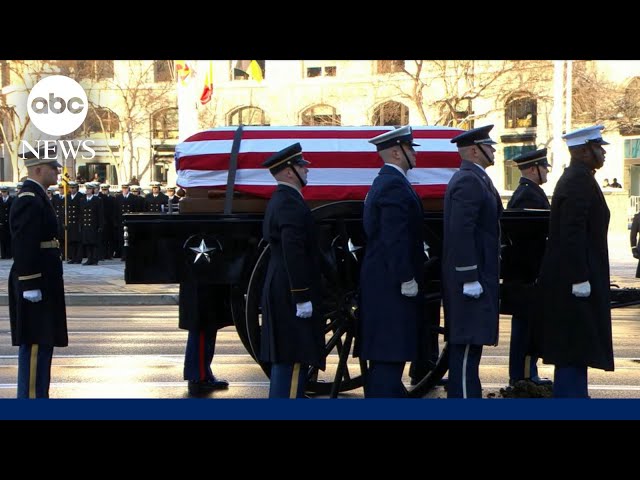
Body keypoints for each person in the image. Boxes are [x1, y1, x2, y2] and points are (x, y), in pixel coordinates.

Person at [535, 124, 614, 398]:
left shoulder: (581, 177)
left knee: (577, 350)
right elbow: (572, 233)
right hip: (574, 283)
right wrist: (580, 277)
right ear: (583, 151)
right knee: (573, 349)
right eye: (598, 147)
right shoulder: (578, 180)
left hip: (576, 279)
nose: (603, 152)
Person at [354, 126, 424, 398]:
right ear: (396, 152)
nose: (415, 155)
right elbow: (394, 238)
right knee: (389, 355)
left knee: (387, 357)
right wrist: (406, 277)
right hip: (391, 284)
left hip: (382, 281)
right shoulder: (393, 185)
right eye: (410, 149)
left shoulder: (385, 181)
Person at [442, 124, 503, 398]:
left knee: (472, 345)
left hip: (479, 275)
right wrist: (469, 276)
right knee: (466, 347)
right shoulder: (468, 180)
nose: (493, 151)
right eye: (489, 147)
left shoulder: (477, 179)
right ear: (474, 151)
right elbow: (461, 231)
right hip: (470, 279)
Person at [260, 142, 325, 398]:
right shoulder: (289, 203)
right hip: (290, 289)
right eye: (301, 166)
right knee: (293, 357)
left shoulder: (283, 199)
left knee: (286, 358)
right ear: (289, 172)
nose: (306, 170)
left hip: (282, 285)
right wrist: (301, 296)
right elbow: (293, 252)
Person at [9, 146, 68, 398]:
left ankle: (38, 397)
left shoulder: (39, 196)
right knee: (35, 342)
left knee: (43, 341)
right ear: (38, 169)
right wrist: (29, 282)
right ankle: (31, 401)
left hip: (44, 277)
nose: (57, 171)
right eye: (53, 167)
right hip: (35, 280)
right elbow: (24, 243)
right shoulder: (29, 199)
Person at [502, 148, 552, 387]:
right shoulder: (529, 197)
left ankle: (525, 373)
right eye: (544, 168)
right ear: (533, 169)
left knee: (527, 326)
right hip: (527, 275)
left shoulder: (529, 193)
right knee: (526, 329)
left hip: (525, 274)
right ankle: (523, 376)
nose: (547, 172)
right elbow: (530, 242)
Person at [0, 185, 14, 259]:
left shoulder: (11, 200)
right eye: (2, 192)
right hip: (1, 223)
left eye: (4, 192)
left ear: (7, 192)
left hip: (9, 222)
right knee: (2, 239)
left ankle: (9, 254)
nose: (3, 193)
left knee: (9, 239)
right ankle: (3, 254)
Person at [631, 210, 640, 278]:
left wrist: (634, 248)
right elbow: (633, 235)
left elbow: (633, 235)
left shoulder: (638, 216)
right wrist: (633, 248)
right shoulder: (638, 216)